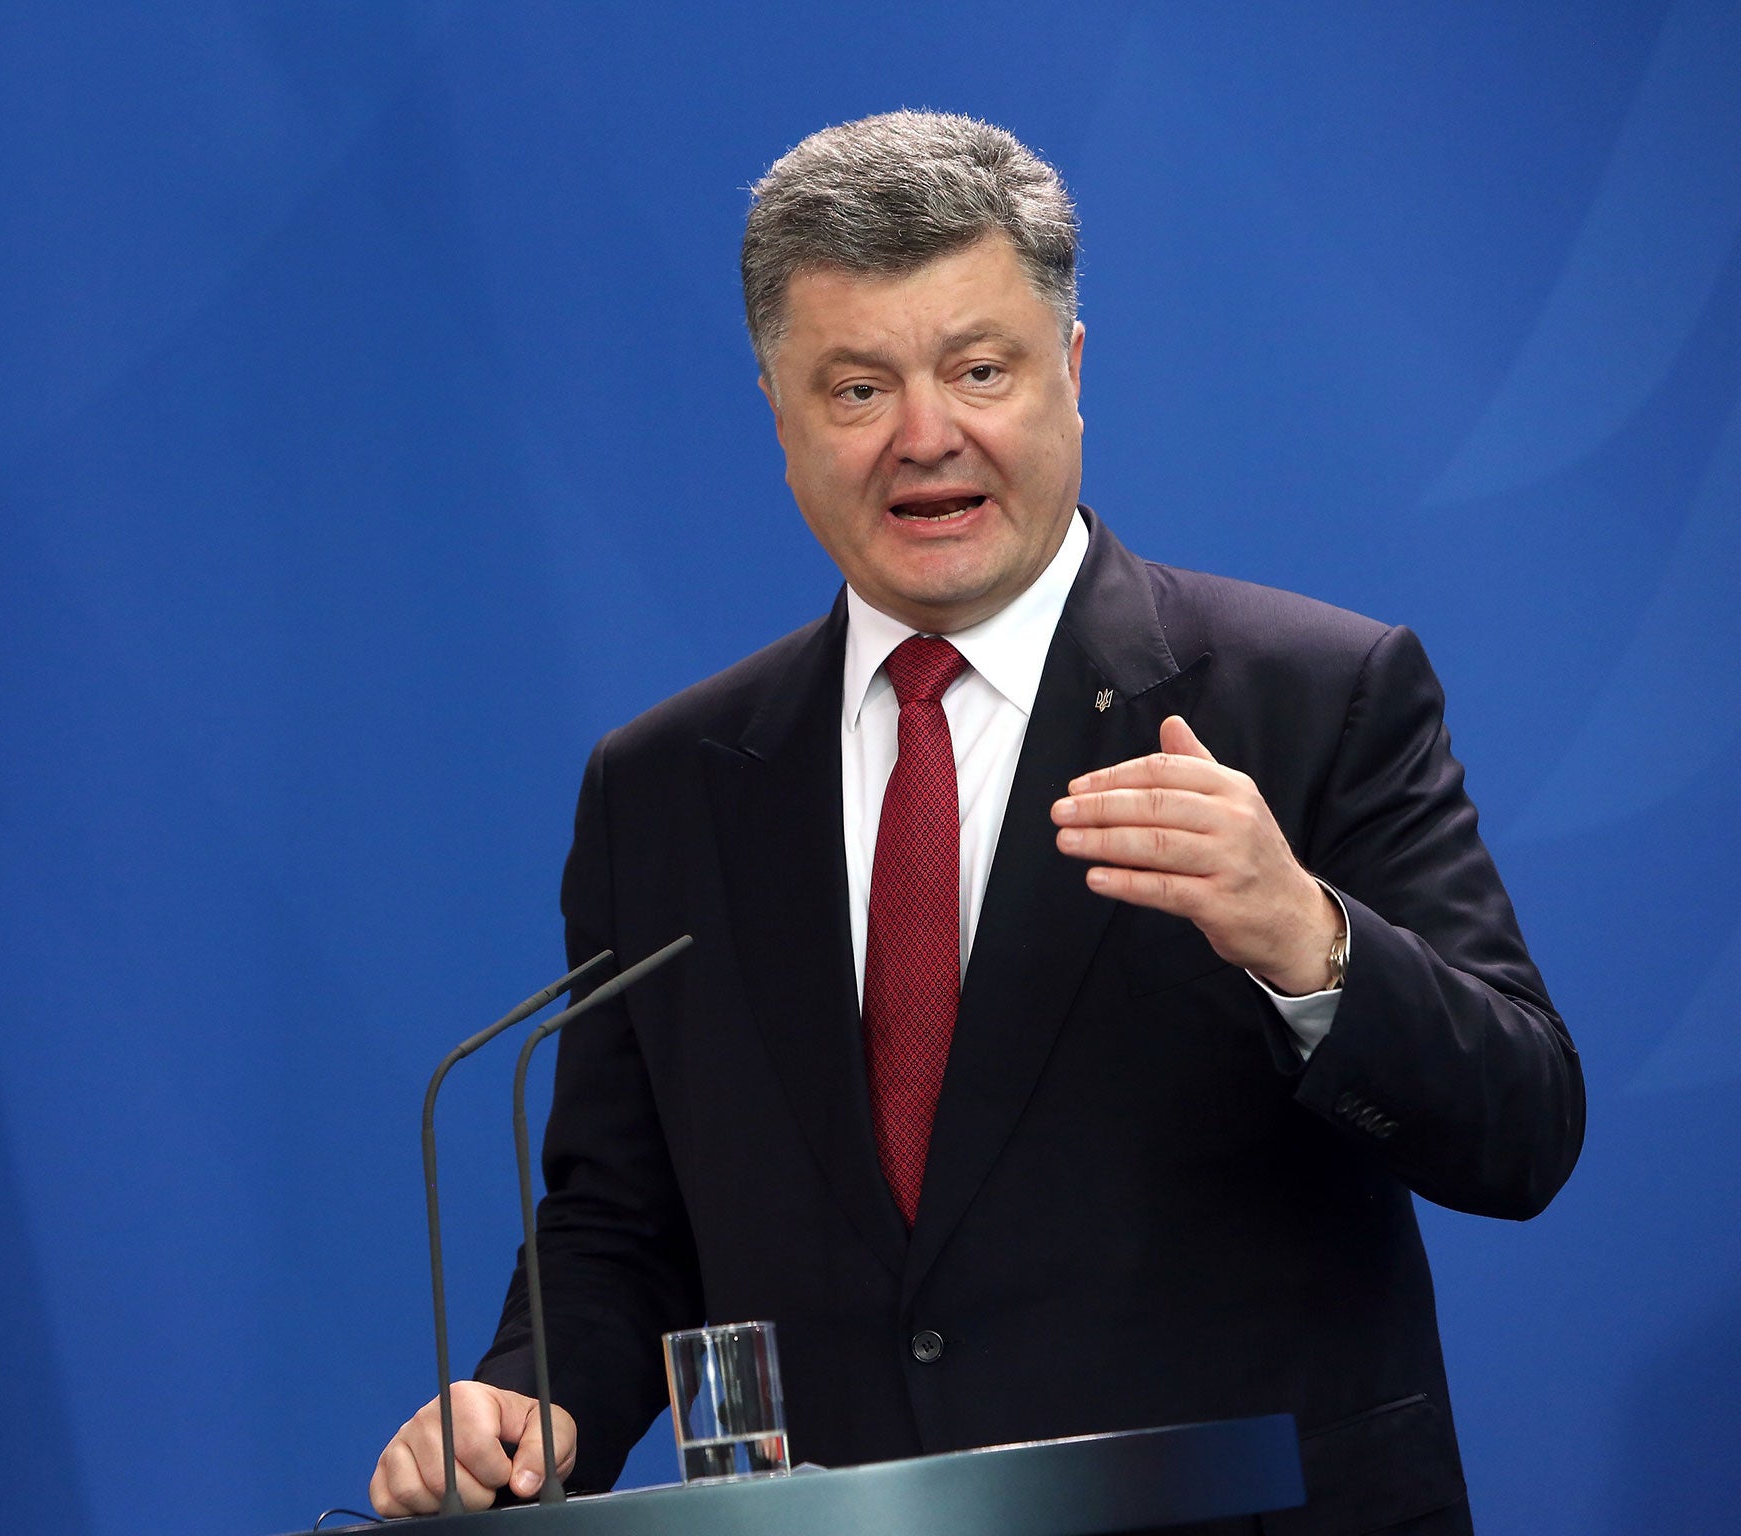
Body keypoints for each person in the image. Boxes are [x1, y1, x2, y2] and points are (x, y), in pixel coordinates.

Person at [370, 111, 1583, 1534]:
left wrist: (1307, 940)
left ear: (1070, 374)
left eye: (980, 370)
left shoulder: (1312, 697)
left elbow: (1522, 1133)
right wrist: (534, 1399)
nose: (926, 436)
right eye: (857, 388)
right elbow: (620, 1220)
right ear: (779, 416)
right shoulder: (669, 782)